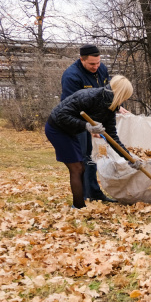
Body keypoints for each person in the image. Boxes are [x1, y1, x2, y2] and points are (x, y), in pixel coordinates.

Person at [45, 76, 141, 209]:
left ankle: (79, 204)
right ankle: (78, 207)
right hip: (57, 128)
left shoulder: (111, 107)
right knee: (76, 168)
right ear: (120, 93)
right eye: (125, 97)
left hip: (71, 130)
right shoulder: (90, 96)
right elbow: (62, 116)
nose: (124, 100)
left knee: (81, 167)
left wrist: (129, 158)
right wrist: (86, 126)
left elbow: (112, 137)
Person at [60, 44, 119, 203]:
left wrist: (116, 107)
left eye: (98, 62)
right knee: (82, 156)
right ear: (81, 60)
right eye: (92, 64)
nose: (96, 67)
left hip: (94, 117)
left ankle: (94, 192)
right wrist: (89, 126)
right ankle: (84, 195)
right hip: (76, 119)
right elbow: (73, 106)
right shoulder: (71, 76)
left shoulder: (102, 69)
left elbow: (106, 93)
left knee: (93, 156)